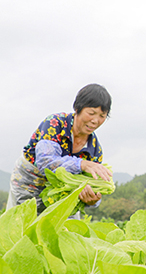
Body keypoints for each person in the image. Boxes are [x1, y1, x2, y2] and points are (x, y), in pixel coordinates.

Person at [7, 83, 113, 214]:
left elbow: (93, 185)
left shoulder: (94, 150)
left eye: (102, 116)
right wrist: (82, 164)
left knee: (65, 231)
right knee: (19, 224)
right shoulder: (54, 123)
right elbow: (45, 162)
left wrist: (92, 200)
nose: (95, 120)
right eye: (91, 113)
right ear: (77, 108)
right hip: (29, 184)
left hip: (61, 195)